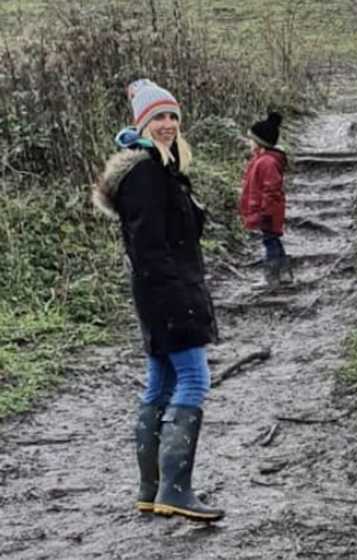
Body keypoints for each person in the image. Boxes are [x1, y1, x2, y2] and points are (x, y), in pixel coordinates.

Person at [93, 79, 224, 521]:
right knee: (194, 381)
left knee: (160, 385)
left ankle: (151, 490)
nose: (167, 125)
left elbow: (177, 233)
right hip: (168, 293)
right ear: (141, 124)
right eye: (158, 118)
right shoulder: (146, 173)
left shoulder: (159, 169)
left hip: (157, 294)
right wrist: (178, 300)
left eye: (172, 117)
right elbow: (150, 248)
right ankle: (175, 490)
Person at [239, 112, 289, 289]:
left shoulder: (266, 162)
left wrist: (265, 212)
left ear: (261, 143)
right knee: (273, 240)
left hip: (268, 212)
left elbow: (271, 190)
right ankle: (285, 274)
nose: (249, 143)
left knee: (270, 242)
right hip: (265, 210)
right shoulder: (260, 160)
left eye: (251, 140)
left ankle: (271, 278)